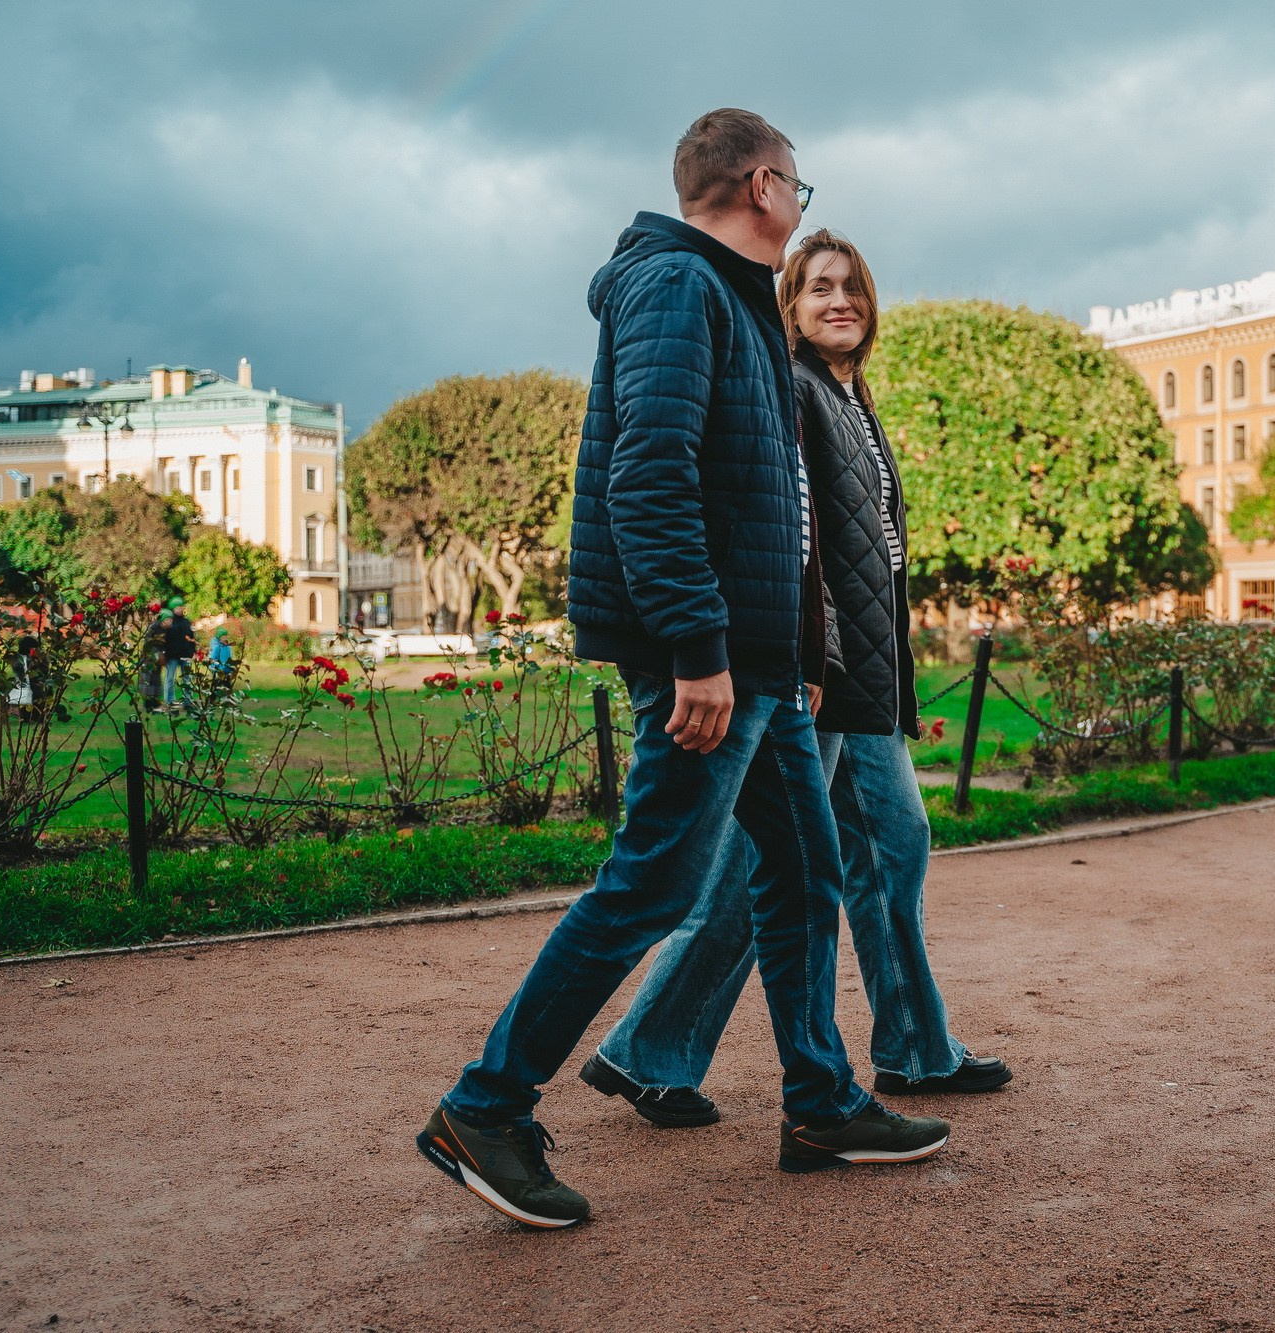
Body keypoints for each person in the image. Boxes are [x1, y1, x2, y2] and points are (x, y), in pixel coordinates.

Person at [416, 109, 950, 1231]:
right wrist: (697, 654)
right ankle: (485, 1106)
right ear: (761, 184)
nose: (800, 204)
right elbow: (647, 478)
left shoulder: (736, 301)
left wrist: (796, 654)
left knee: (804, 879)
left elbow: (769, 506)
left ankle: (821, 1102)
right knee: (653, 883)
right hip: (704, 663)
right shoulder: (674, 287)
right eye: (797, 187)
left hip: (763, 668)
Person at [588, 229, 1009, 1130]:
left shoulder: (852, 398)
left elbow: (875, 555)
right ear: (791, 304)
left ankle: (908, 1046)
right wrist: (810, 660)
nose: (839, 300)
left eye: (851, 286)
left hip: (864, 678)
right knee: (779, 870)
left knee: (875, 854)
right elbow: (797, 537)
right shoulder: (793, 388)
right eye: (818, 286)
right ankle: (653, 1050)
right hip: (819, 677)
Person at [160, 599, 196, 708]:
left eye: (182, 606)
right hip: (172, 655)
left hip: (186, 655)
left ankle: (188, 701)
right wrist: (164, 653)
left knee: (187, 679)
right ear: (173, 609)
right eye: (178, 607)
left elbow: (191, 637)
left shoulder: (186, 622)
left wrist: (192, 652)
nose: (181, 609)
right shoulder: (169, 623)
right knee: (170, 678)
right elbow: (163, 639)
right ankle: (169, 701)